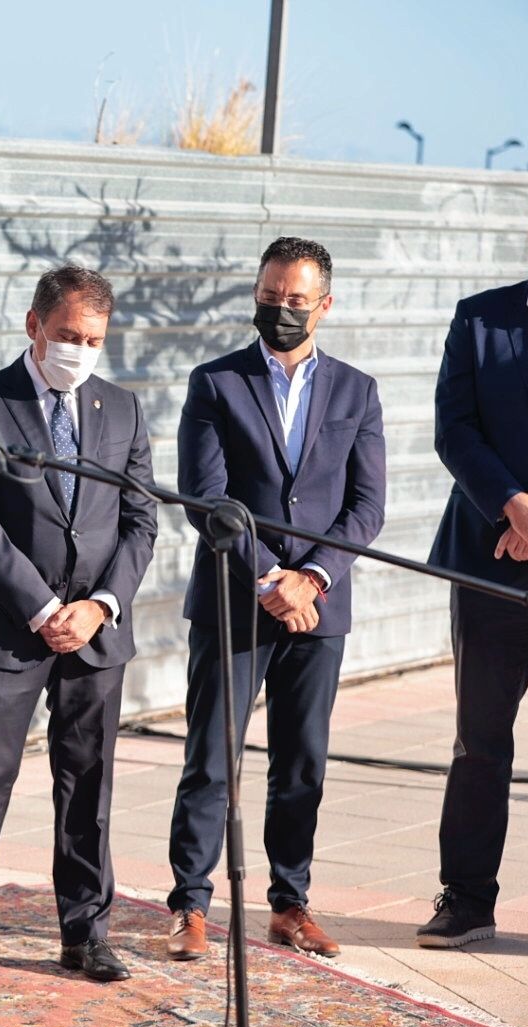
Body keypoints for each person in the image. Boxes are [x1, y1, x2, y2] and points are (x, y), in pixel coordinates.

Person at [0, 266, 157, 991]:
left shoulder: (121, 408)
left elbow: (140, 518)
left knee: (87, 783)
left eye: (93, 339)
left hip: (96, 631)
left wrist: (100, 605)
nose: (79, 349)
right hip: (7, 628)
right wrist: (39, 606)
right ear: (34, 326)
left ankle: (86, 933)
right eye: (67, 335)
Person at [164, 236, 386, 963]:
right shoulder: (215, 382)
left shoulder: (358, 390)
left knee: (302, 763)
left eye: (295, 300)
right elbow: (207, 497)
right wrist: (269, 579)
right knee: (211, 757)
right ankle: (191, 905)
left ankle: (290, 903)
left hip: (319, 609)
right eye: (269, 295)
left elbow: (365, 507)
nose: (280, 309)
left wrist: (312, 579)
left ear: (325, 304)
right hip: (237, 598)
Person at [420, 171, 528, 957]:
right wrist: (511, 503)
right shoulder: (479, 317)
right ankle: (466, 899)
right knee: (479, 740)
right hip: (489, 556)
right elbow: (454, 427)